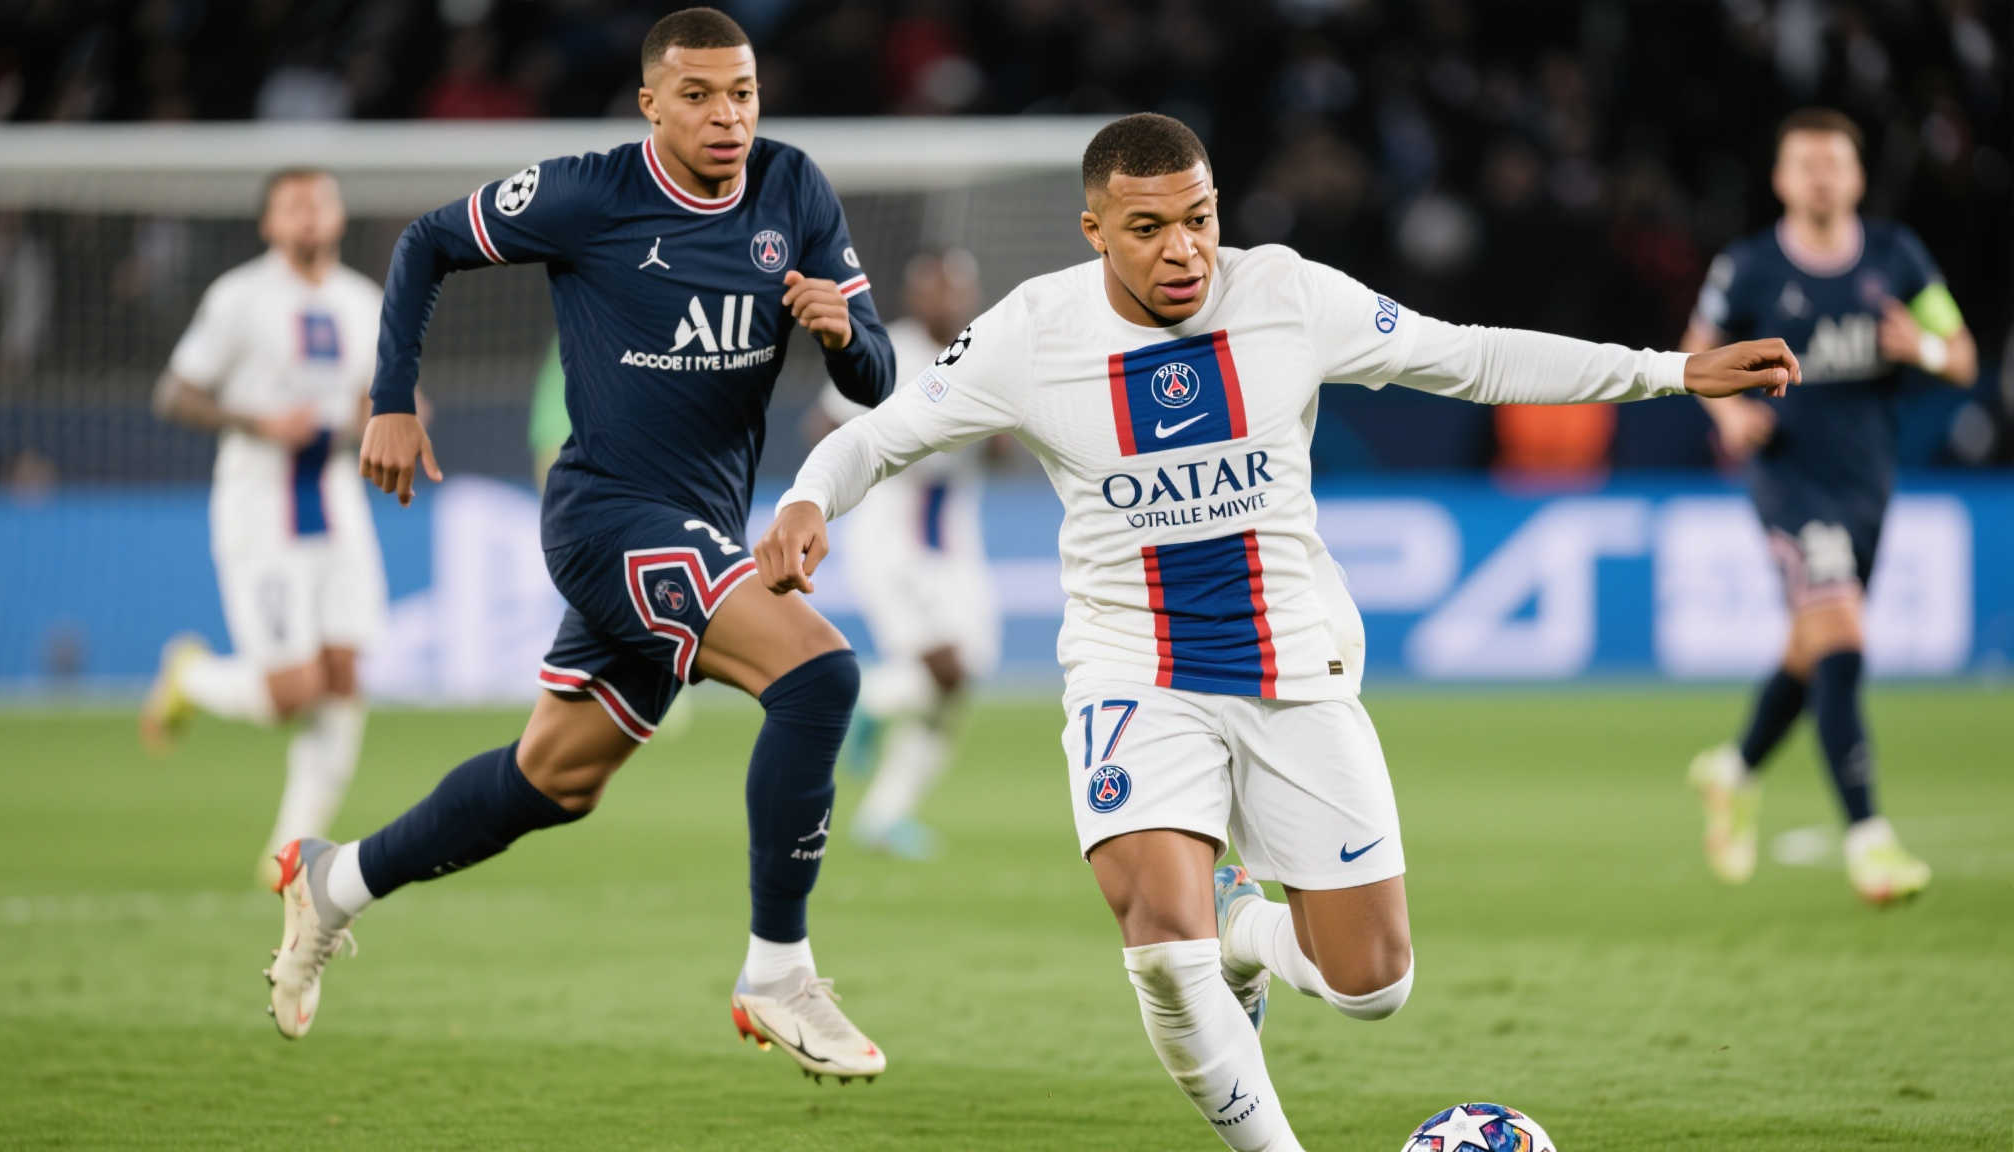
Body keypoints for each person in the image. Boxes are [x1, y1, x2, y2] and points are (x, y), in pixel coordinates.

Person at [757, 113, 1798, 1150]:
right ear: (1093, 231)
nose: (1183, 249)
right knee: (1166, 954)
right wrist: (807, 500)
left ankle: (1241, 923)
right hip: (1136, 671)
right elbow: (877, 437)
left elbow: (1471, 357)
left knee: (1371, 984)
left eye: (1200, 218)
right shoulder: (1031, 332)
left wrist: (1669, 372)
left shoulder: (1288, 296)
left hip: (1295, 666)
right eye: (1148, 228)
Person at [264, 8, 897, 1083]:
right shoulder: (589, 193)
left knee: (553, 782)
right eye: (697, 95)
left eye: (742, 93)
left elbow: (875, 378)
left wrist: (840, 332)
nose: (727, 116)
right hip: (607, 517)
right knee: (819, 675)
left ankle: (334, 881)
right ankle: (778, 974)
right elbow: (426, 241)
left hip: (700, 528)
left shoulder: (793, 189)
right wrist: (390, 399)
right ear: (650, 103)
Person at [1683, 108, 1976, 905]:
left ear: (1856, 176)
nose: (1821, 178)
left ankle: (1733, 769)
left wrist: (1919, 346)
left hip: (1867, 483)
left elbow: (1960, 355)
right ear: (1781, 179)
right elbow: (1695, 348)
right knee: (1842, 639)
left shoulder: (1896, 257)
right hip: (1790, 481)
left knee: (1813, 647)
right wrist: (1728, 414)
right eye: (1806, 164)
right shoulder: (1749, 267)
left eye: (1834, 164)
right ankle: (1869, 843)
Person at [142, 168, 387, 890]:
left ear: (338, 215)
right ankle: (191, 677)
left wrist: (391, 418)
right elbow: (174, 393)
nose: (309, 214)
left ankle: (289, 853)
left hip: (337, 500)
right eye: (293, 205)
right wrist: (256, 421)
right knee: (290, 694)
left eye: (320, 201)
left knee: (343, 676)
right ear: (269, 224)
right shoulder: (239, 297)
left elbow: (380, 399)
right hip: (259, 504)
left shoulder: (363, 301)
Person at [809, 248, 999, 858]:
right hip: (892, 537)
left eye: (955, 289)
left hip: (954, 540)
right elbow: (824, 424)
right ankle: (865, 701)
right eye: (934, 289)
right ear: (916, 296)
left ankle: (884, 815)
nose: (946, 300)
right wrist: (887, 446)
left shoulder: (987, 352)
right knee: (945, 670)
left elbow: (1003, 452)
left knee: (965, 675)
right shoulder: (889, 351)